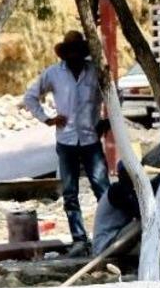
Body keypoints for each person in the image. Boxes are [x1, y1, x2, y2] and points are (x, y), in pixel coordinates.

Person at [23, 31, 110, 257]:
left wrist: (106, 122)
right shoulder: (54, 74)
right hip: (66, 141)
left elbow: (114, 95)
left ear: (83, 53)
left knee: (103, 189)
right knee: (70, 193)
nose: (73, 56)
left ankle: (108, 236)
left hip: (91, 139)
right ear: (65, 54)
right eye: (69, 52)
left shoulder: (95, 73)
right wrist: (48, 119)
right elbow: (30, 97)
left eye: (77, 52)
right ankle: (79, 240)